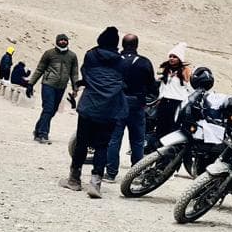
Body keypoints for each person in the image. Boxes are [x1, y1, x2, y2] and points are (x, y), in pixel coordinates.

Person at [61, 27, 128, 198]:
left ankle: (74, 179)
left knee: (81, 143)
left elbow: (86, 74)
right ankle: (95, 183)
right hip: (110, 109)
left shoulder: (91, 55)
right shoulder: (121, 61)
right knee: (102, 146)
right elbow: (123, 81)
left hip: (89, 106)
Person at [105, 34, 157, 181]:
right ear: (136, 45)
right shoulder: (144, 62)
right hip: (137, 104)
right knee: (137, 140)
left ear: (122, 44)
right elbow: (152, 87)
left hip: (117, 102)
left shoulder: (114, 60)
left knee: (114, 138)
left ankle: (111, 173)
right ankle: (136, 173)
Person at [29, 33, 81, 144]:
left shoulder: (72, 56)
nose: (63, 42)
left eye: (65, 40)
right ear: (57, 41)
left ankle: (38, 130)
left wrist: (75, 88)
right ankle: (43, 134)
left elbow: (74, 74)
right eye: (61, 40)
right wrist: (31, 83)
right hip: (48, 84)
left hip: (61, 87)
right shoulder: (49, 53)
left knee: (52, 111)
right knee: (48, 108)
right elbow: (39, 69)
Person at [152, 43, 192, 146]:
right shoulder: (165, 69)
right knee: (160, 127)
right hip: (165, 101)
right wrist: (159, 98)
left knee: (173, 128)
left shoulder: (185, 70)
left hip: (177, 102)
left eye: (174, 57)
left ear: (180, 58)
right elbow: (162, 86)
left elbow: (189, 87)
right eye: (170, 56)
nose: (171, 58)